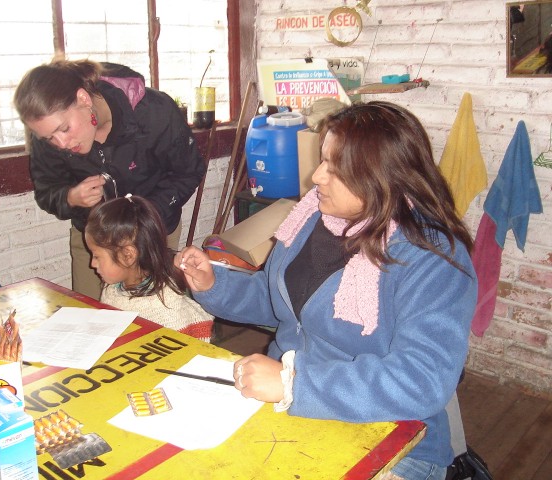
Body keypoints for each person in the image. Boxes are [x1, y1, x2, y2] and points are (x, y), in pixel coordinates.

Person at [176, 101, 477, 480]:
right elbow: (282, 303)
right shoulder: (312, 218)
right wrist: (215, 282)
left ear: (380, 175)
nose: (316, 177)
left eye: (335, 168)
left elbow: (422, 380)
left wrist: (294, 383)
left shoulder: (431, 255)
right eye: (322, 160)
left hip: (394, 439)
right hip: (292, 407)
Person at [14, 59, 206, 300]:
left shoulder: (154, 112)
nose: (61, 144)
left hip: (153, 233)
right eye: (49, 138)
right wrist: (71, 197)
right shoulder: (50, 141)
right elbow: (47, 191)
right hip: (94, 241)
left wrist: (145, 215)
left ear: (84, 99)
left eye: (64, 129)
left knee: (155, 319)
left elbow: (188, 171)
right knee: (93, 320)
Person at [85, 194, 213, 342]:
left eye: (96, 256)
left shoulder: (167, 314)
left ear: (128, 256)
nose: (92, 264)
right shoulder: (112, 290)